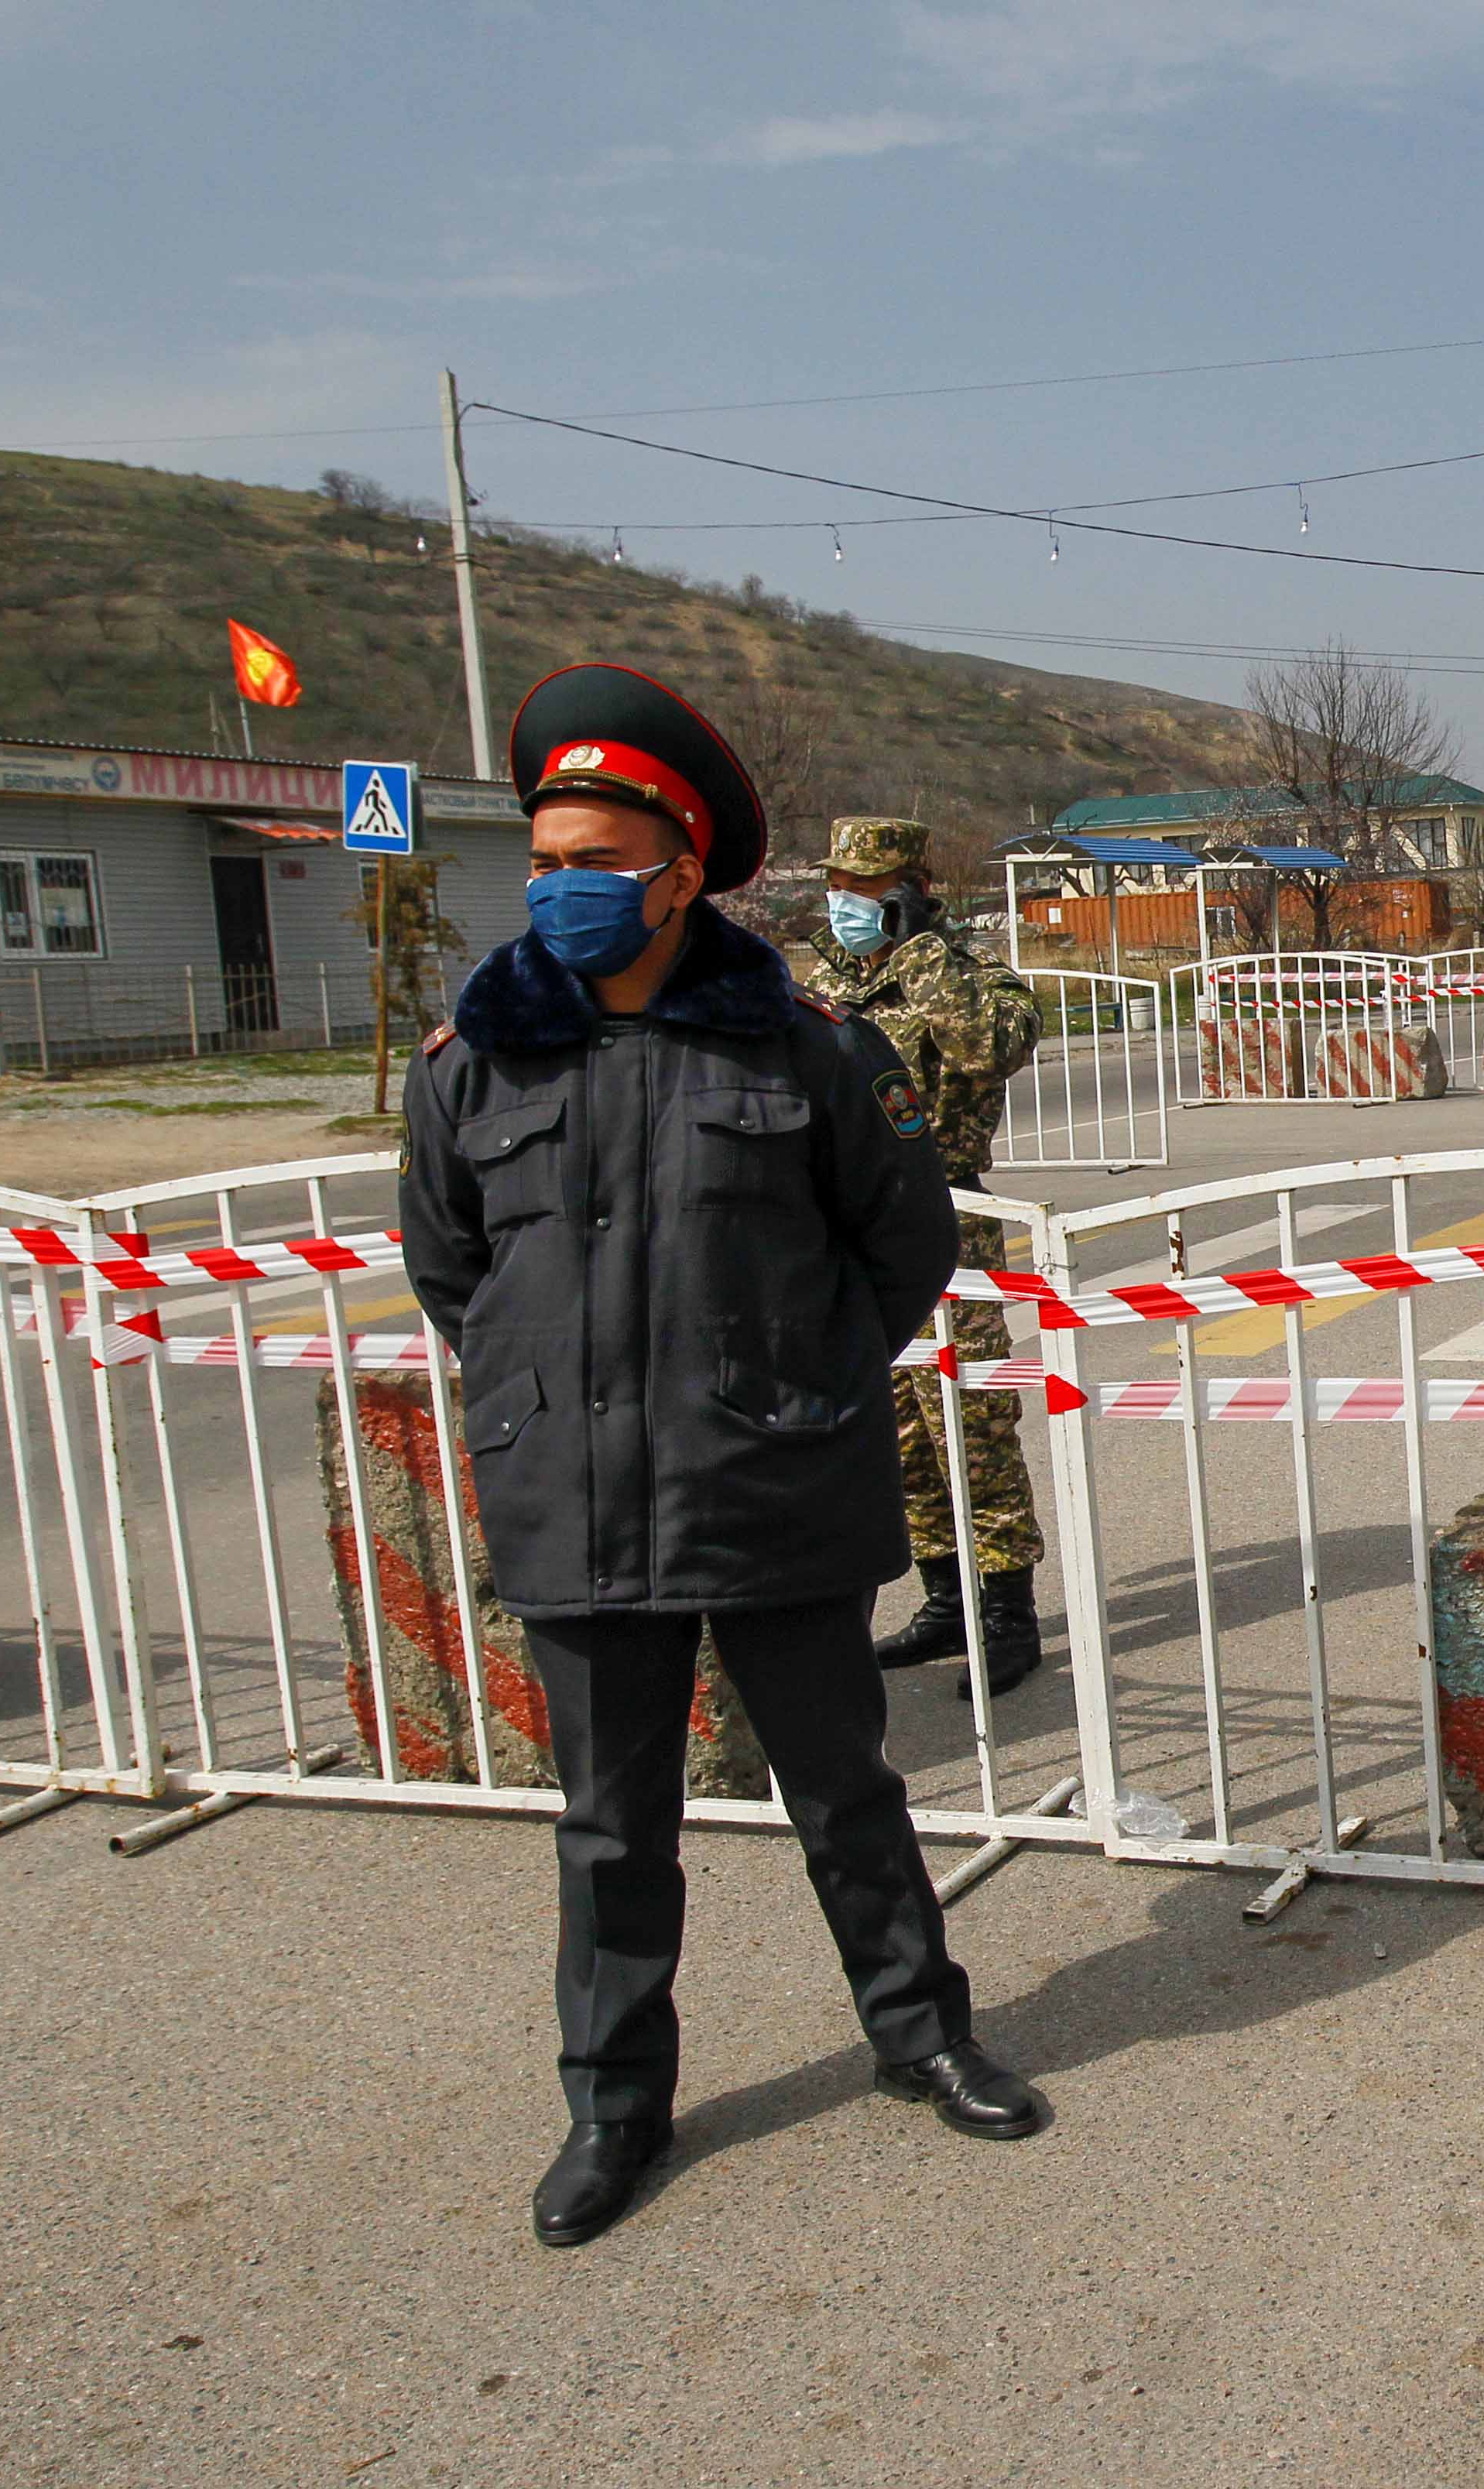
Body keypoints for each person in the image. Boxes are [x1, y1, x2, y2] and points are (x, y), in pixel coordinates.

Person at [401, 664, 1050, 2251]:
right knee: (611, 1823)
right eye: (543, 860)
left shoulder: (805, 1048)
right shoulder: (474, 1060)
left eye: (595, 861)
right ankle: (613, 2104)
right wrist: (552, 1391)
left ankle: (920, 2033)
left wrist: (797, 1383)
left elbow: (902, 1245)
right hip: (576, 1498)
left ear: (681, 871)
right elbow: (450, 1266)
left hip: (771, 1480)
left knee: (844, 1789)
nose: (559, 887)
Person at [806, 817, 1047, 1692]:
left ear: (913, 890)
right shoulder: (826, 983)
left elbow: (988, 1048)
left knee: (969, 1422)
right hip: (846, 1226)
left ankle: (1007, 1613)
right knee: (897, 1429)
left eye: (864, 889)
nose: (843, 902)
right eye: (836, 885)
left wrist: (919, 955)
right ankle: (946, 1599)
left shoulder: (973, 975)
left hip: (944, 1217)